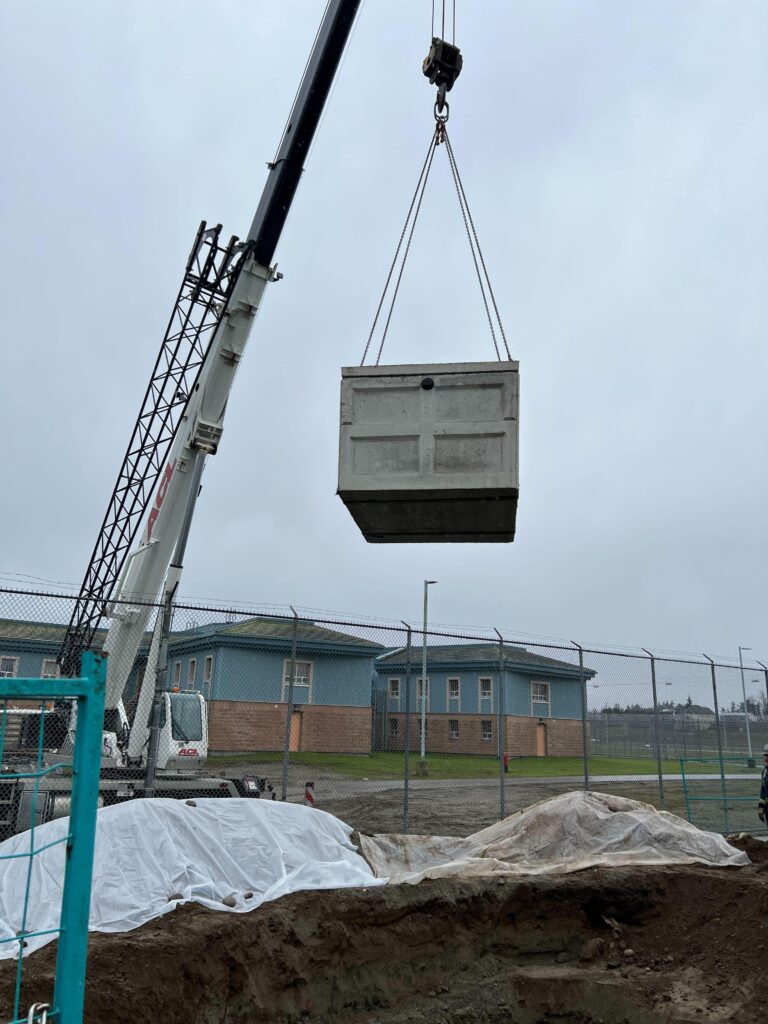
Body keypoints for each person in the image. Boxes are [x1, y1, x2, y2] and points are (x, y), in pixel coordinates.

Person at [759, 744, 768, 824]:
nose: (766, 758)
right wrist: (761, 809)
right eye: (765, 755)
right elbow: (763, 793)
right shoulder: (764, 772)